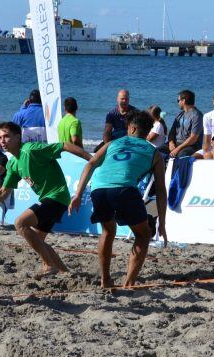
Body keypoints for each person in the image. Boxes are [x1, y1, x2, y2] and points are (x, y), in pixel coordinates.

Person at [69, 111, 167, 288]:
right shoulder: (155, 153)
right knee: (143, 235)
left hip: (98, 188)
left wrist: (77, 194)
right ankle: (128, 284)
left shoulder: (113, 143)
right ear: (146, 131)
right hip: (123, 189)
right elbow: (160, 190)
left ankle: (105, 279)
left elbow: (91, 163)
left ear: (132, 128)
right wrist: (163, 223)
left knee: (108, 231)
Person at [0, 122, 92, 279]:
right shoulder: (13, 163)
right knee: (38, 240)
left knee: (20, 223)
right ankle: (64, 271)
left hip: (57, 197)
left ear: (17, 137)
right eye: (0, 137)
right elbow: (3, 193)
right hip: (48, 199)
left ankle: (48, 265)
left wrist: (90, 159)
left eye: (6, 136)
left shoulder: (31, 150)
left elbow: (64, 145)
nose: (2, 140)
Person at [166, 89, 203, 157]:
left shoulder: (196, 115)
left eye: (178, 100)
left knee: (181, 154)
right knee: (158, 151)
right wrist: (171, 143)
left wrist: (178, 149)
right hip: (176, 144)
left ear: (183, 101)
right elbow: (172, 132)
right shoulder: (180, 115)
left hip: (190, 146)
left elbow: (193, 138)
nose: (178, 103)